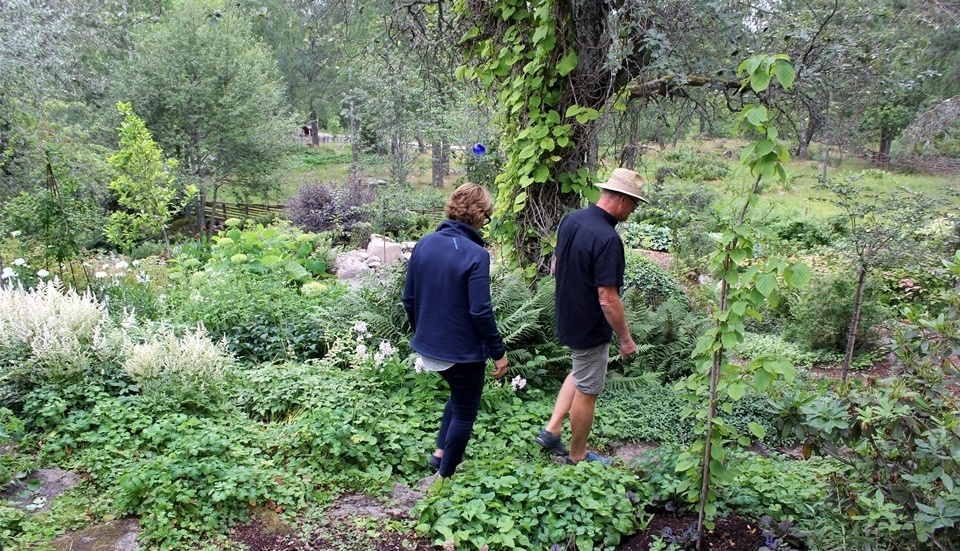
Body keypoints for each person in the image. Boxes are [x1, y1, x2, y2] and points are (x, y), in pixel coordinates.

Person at [536, 168, 648, 465]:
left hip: (568, 313)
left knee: (580, 370)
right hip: (590, 324)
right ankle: (577, 455)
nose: (632, 211)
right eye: (634, 204)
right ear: (623, 200)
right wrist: (626, 339)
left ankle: (552, 429)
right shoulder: (608, 239)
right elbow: (608, 298)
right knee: (588, 389)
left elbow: (557, 265)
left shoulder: (572, 220)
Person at [403, 182, 509, 479]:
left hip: (428, 347)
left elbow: (408, 298)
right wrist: (498, 353)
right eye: (487, 217)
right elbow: (480, 310)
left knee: (459, 393)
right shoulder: (476, 254)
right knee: (465, 410)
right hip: (461, 353)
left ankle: (439, 453)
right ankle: (444, 476)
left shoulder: (425, 243)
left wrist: (423, 331)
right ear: (479, 216)